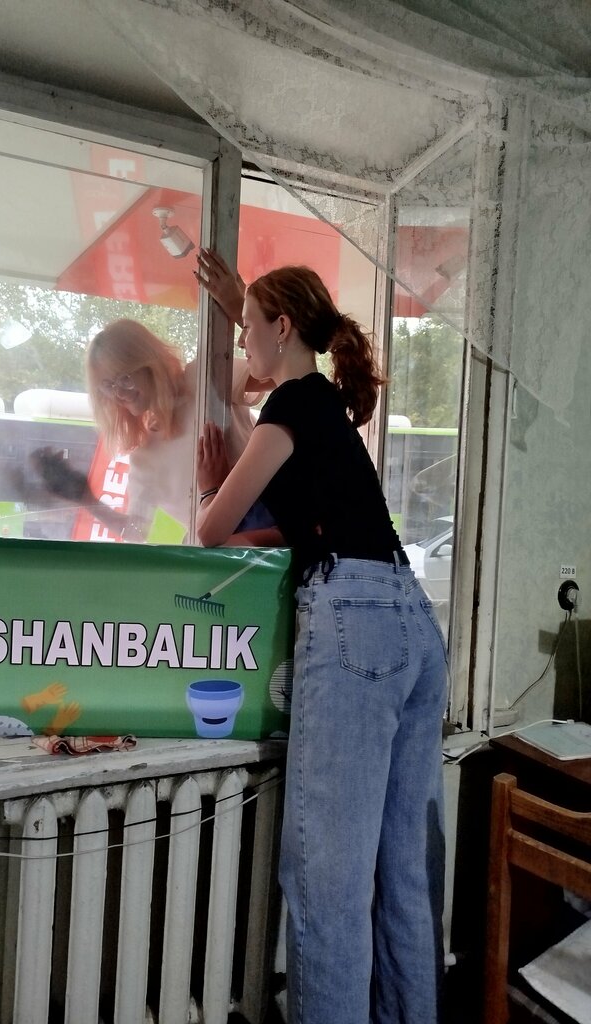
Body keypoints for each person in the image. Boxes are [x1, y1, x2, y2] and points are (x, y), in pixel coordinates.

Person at [195, 265, 448, 1024]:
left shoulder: (290, 404)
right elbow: (309, 524)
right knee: (400, 875)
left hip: (356, 626)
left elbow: (211, 531)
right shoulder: (331, 410)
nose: (242, 337)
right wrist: (235, 296)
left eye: (249, 323)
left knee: (327, 890)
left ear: (281, 327)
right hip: (412, 619)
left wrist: (212, 484)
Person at [33, 317, 278, 544]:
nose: (119, 393)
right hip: (231, 555)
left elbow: (276, 375)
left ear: (147, 363)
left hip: (276, 526)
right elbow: (136, 531)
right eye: (108, 386)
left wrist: (246, 315)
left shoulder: (202, 377)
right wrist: (86, 499)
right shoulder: (144, 455)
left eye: (124, 378)